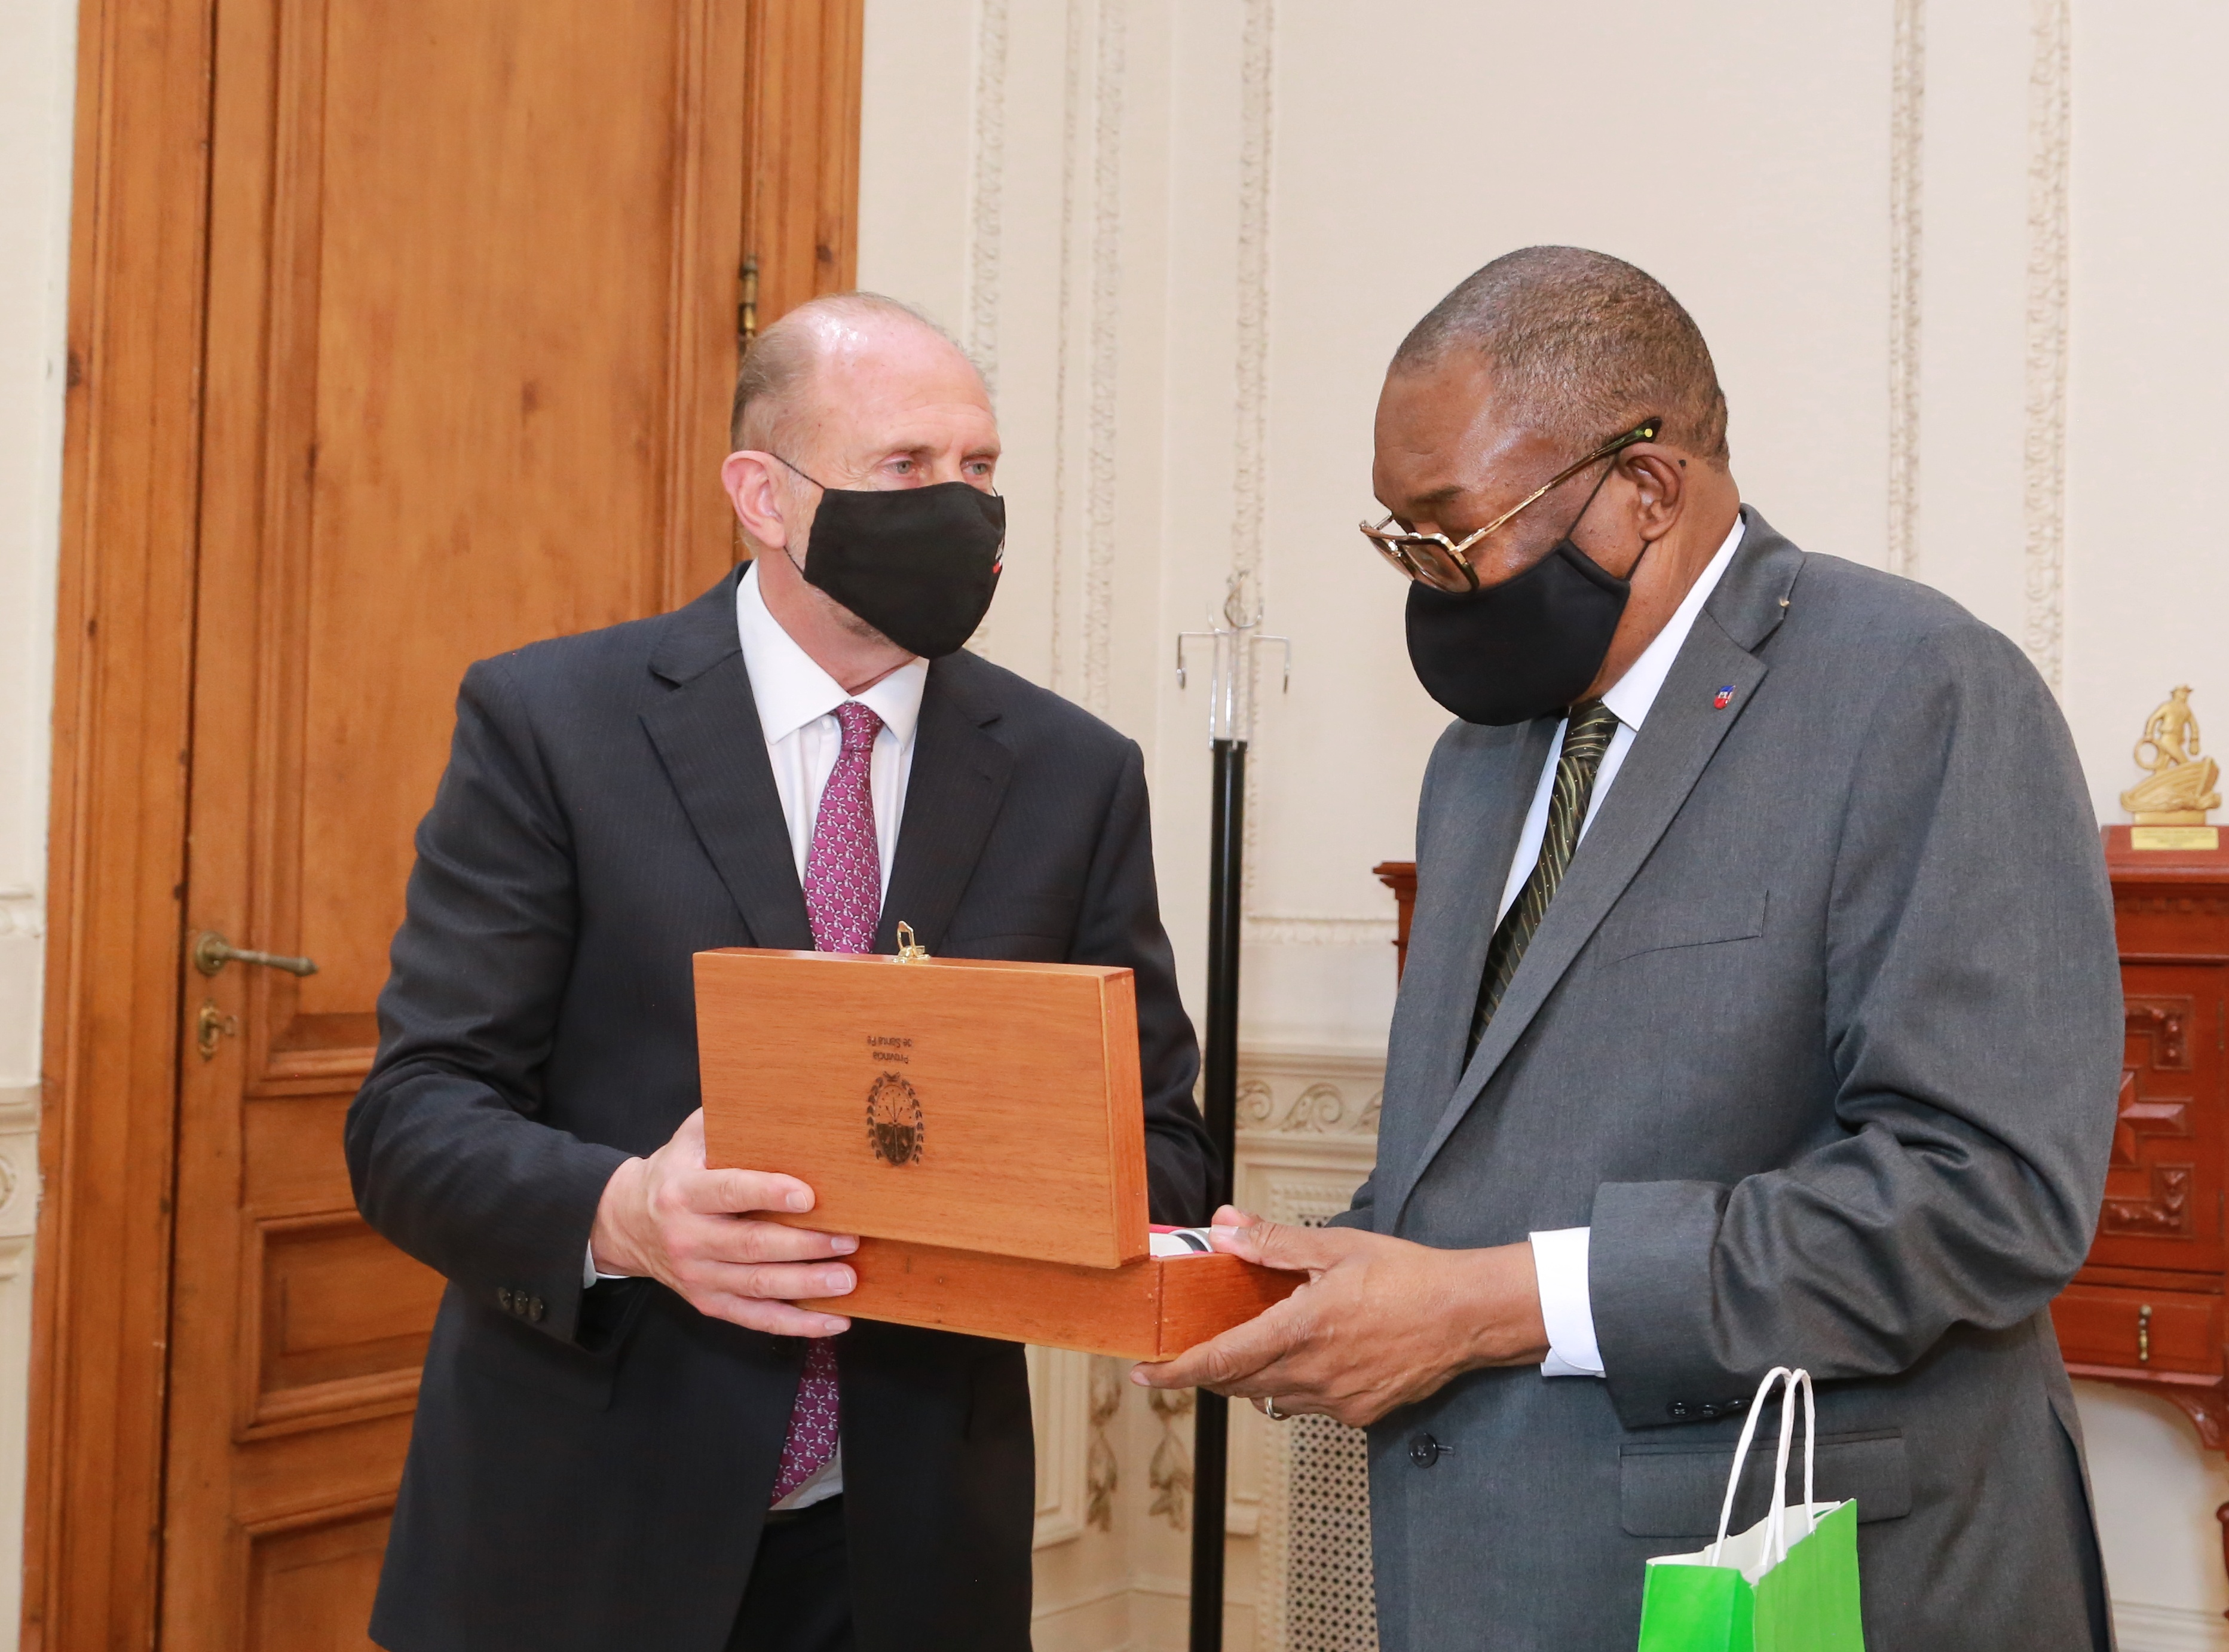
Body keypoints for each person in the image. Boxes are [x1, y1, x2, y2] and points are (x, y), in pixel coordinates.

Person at [1135, 247, 2121, 1650]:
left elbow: (1984, 1198)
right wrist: (1327, 1268)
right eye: (1400, 541)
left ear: (1646, 487)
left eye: (1453, 532)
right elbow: (1497, 1145)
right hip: (1489, 1575)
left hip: (1787, 1570)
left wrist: (1497, 1304)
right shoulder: (1481, 757)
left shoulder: (1921, 692)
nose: (1432, 581)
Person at [350, 292, 1215, 1652]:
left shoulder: (1076, 774)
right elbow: (413, 1117)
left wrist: (1005, 1184)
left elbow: (1164, 1149)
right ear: (764, 494)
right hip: (580, 1536)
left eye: (980, 467)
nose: (960, 505)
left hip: (910, 1555)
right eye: (905, 466)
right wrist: (628, 1214)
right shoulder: (552, 724)